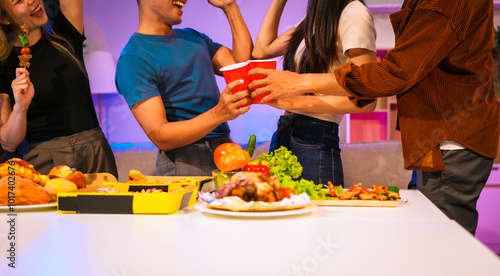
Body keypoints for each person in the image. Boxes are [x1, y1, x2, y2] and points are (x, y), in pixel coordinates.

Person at [249, 0, 499, 235]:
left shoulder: (357, 13)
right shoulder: (314, 18)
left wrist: (297, 87)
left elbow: (392, 76)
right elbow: (262, 50)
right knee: (426, 239)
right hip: (431, 139)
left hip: (445, 137)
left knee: (440, 243)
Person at [115, 0, 253, 176]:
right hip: (184, 160)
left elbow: (240, 69)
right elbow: (160, 135)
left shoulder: (194, 38)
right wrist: (219, 114)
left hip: (227, 150)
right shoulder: (133, 58)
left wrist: (230, 6)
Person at [251, 0, 377, 186]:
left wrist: (292, 102)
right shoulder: (311, 21)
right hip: (285, 130)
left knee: (315, 212)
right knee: (279, 211)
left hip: (316, 134)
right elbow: (261, 50)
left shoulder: (354, 13)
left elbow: (368, 99)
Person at [0, 0, 118, 177]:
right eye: (18, 1)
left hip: (96, 153)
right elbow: (8, 143)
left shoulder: (66, 36)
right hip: (47, 163)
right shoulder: (5, 65)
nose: (31, 0)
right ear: (4, 18)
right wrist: (20, 107)